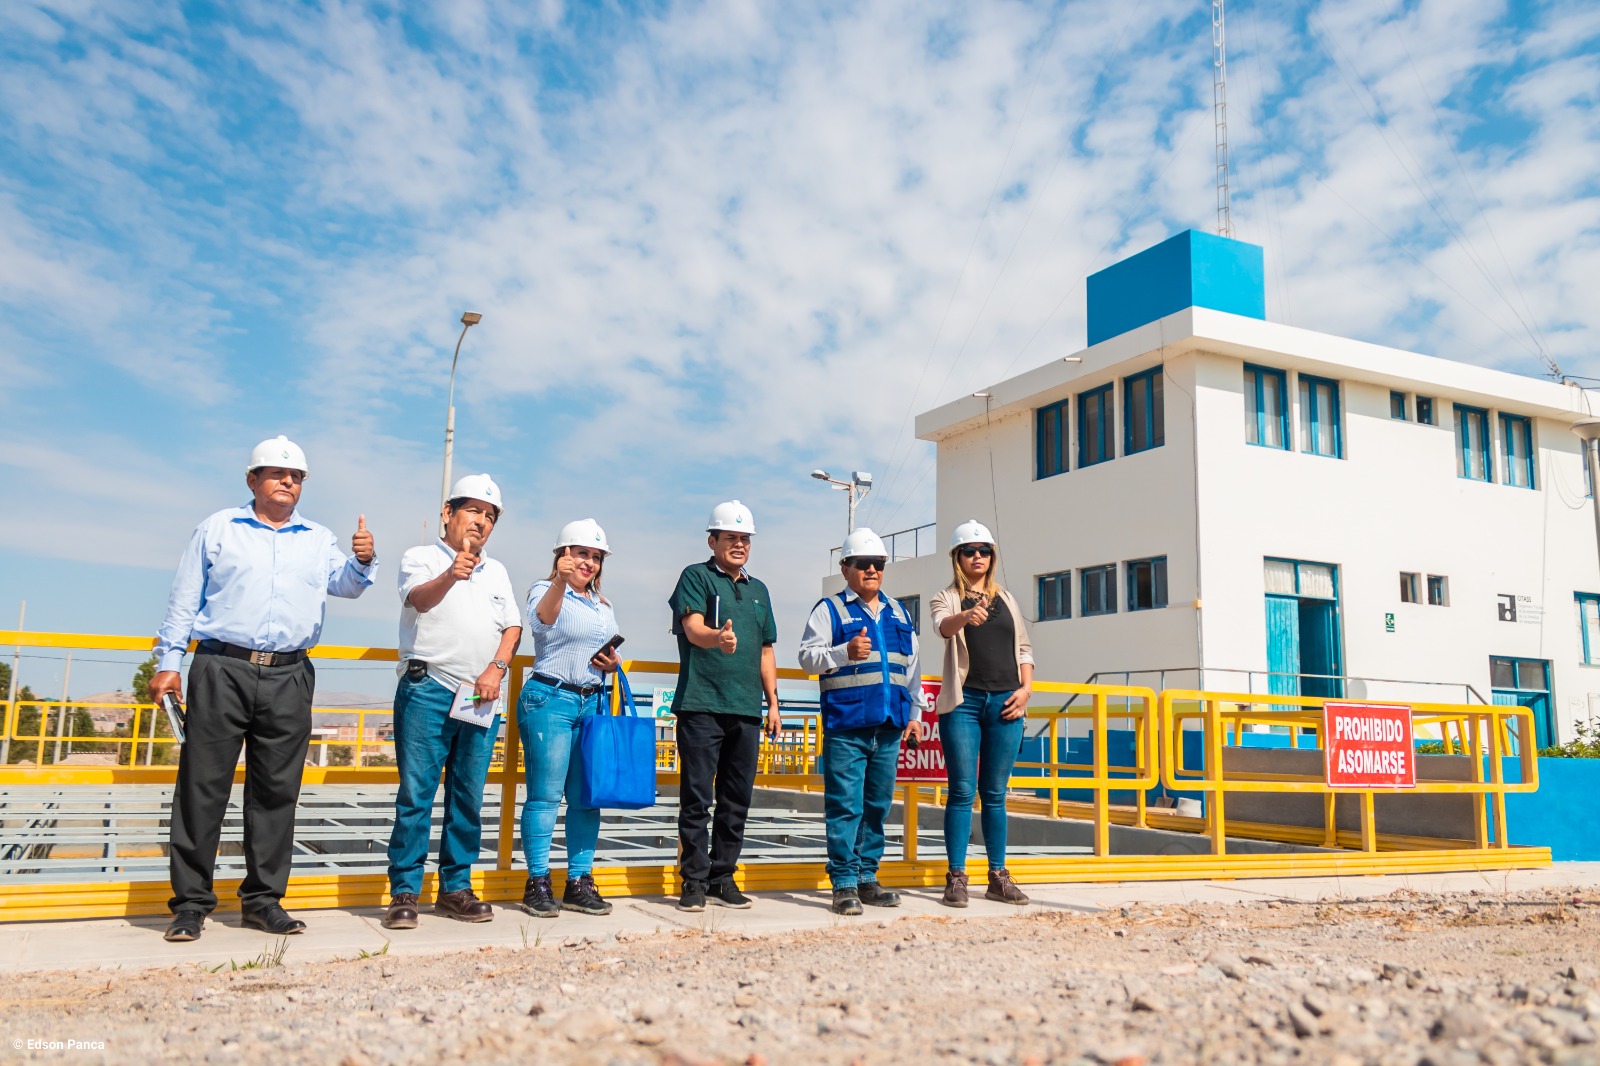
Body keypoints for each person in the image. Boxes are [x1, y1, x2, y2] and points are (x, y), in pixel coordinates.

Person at [150, 436, 377, 942]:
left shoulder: (318, 538)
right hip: (220, 668)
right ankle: (190, 905)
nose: (287, 482)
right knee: (201, 788)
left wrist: (364, 560)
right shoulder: (218, 529)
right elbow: (184, 600)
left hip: (290, 674)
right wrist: (169, 662)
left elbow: (347, 584)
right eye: (276, 474)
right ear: (252, 480)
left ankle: (262, 900)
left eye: (295, 477)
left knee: (276, 792)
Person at [383, 474, 520, 930]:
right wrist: (450, 573)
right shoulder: (420, 557)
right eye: (473, 510)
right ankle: (404, 892)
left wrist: (496, 669)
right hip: (428, 688)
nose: (481, 521)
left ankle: (455, 888)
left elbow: (512, 627)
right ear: (448, 513)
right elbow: (418, 600)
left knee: (468, 795)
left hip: (479, 695)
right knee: (417, 795)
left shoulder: (496, 570)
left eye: (490, 515)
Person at [798, 528, 924, 916]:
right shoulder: (830, 610)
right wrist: (843, 651)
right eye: (863, 564)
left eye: (878, 564)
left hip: (888, 726)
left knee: (877, 806)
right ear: (845, 568)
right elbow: (807, 658)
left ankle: (867, 877)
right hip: (847, 725)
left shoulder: (900, 612)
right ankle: (844, 882)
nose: (872, 570)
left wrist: (916, 715)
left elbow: (913, 670)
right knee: (845, 807)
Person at [667, 500, 781, 912]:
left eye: (744, 539)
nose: (738, 545)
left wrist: (772, 702)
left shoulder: (759, 590)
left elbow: (767, 650)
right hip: (701, 704)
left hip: (747, 710)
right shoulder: (695, 576)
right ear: (712, 539)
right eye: (730, 537)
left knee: (737, 798)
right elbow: (693, 628)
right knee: (697, 797)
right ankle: (693, 882)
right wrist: (718, 638)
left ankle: (722, 876)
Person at [517, 519, 625, 918]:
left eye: (596, 557)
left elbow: (607, 656)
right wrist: (561, 583)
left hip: (592, 701)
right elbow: (542, 621)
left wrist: (611, 663)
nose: (589, 563)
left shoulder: (603, 604)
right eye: (582, 553)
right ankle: (538, 882)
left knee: (585, 799)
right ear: (563, 554)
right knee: (545, 796)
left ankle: (579, 881)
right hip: (551, 699)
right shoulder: (544, 589)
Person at [929, 519, 1034, 908]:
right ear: (958, 557)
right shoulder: (946, 596)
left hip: (1006, 703)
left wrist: (1025, 690)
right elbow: (942, 627)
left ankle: (997, 876)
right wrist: (965, 618)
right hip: (964, 704)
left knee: (995, 794)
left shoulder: (1006, 598)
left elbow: (1024, 647)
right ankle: (956, 877)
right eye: (970, 551)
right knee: (960, 791)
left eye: (984, 551)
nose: (978, 557)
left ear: (992, 556)